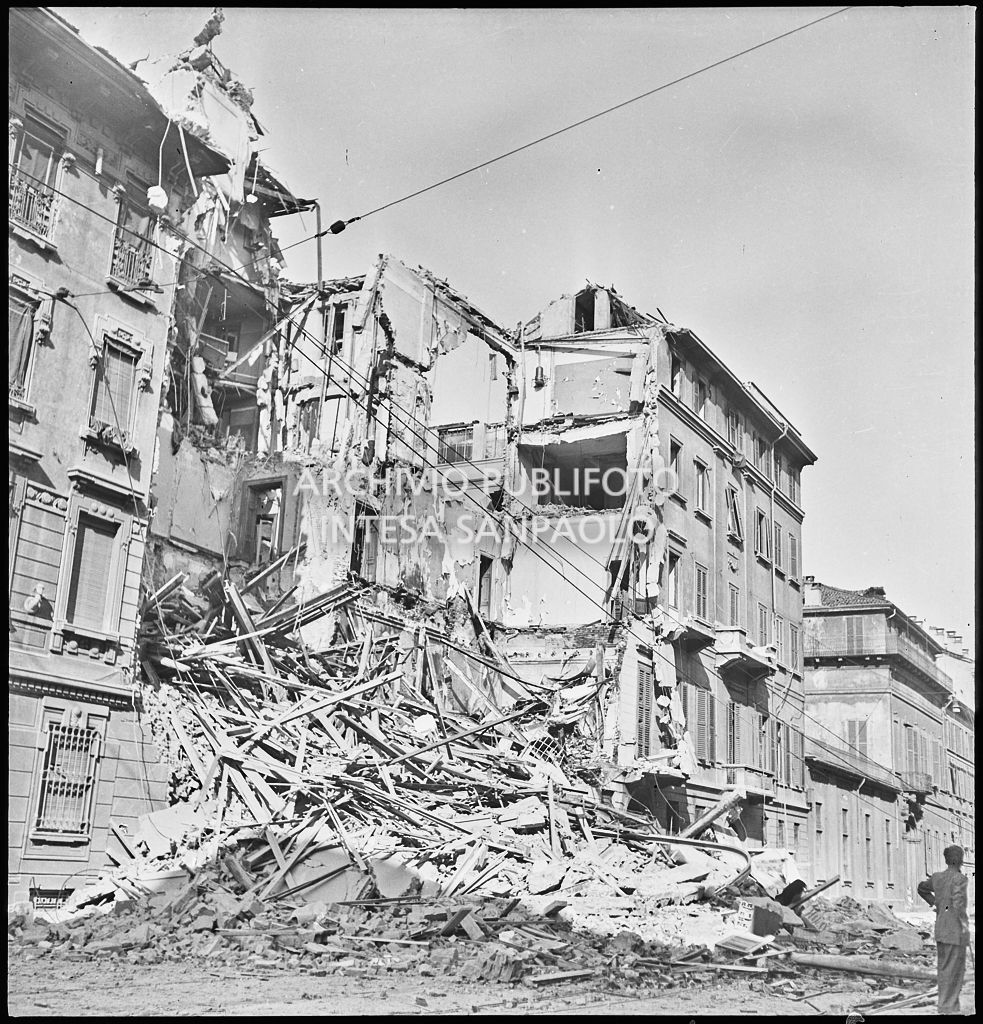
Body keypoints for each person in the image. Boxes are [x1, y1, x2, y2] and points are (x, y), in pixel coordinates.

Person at [917, 845, 971, 1015]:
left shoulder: (937, 877)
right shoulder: (960, 879)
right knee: (956, 970)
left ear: (947, 859)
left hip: (941, 930)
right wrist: (965, 928)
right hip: (955, 932)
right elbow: (958, 904)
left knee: (943, 969)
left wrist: (936, 903)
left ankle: (944, 1006)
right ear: (960, 860)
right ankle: (950, 1007)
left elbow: (921, 888)